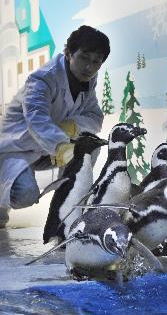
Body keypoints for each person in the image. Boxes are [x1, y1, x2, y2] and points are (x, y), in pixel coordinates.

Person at [0, 25, 110, 228]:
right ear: (68, 53)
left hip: (42, 150)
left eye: (96, 62)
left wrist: (72, 126)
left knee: (89, 148)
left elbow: (95, 117)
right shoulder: (43, 79)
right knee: (25, 194)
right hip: (15, 149)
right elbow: (37, 119)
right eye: (84, 57)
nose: (89, 67)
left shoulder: (87, 82)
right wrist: (60, 145)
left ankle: (64, 212)